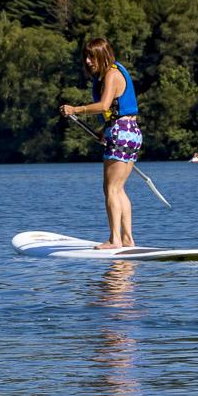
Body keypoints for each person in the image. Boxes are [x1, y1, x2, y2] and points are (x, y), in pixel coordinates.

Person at [61, 37, 140, 249]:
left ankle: (115, 240)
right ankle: (127, 239)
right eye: (86, 57)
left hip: (122, 132)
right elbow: (114, 110)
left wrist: (75, 110)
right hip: (129, 132)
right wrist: (104, 130)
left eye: (92, 57)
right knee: (119, 188)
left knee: (111, 188)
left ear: (103, 56)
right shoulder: (112, 73)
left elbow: (104, 105)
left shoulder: (112, 74)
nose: (87, 61)